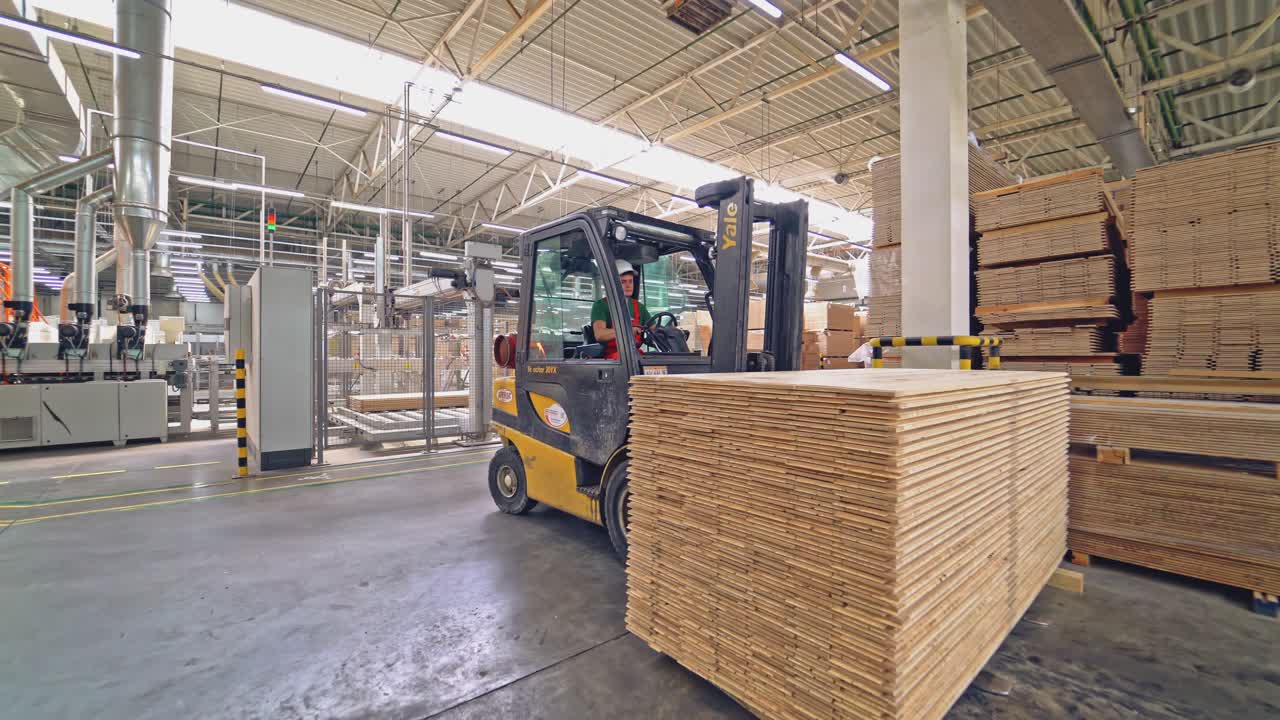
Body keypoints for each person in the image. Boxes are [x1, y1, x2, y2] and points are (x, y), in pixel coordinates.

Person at [590, 259, 651, 360]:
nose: (628, 286)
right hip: (613, 359)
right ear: (613, 283)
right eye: (623, 282)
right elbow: (600, 334)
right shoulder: (601, 305)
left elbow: (654, 330)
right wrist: (628, 331)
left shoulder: (639, 307)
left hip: (634, 356)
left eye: (630, 281)